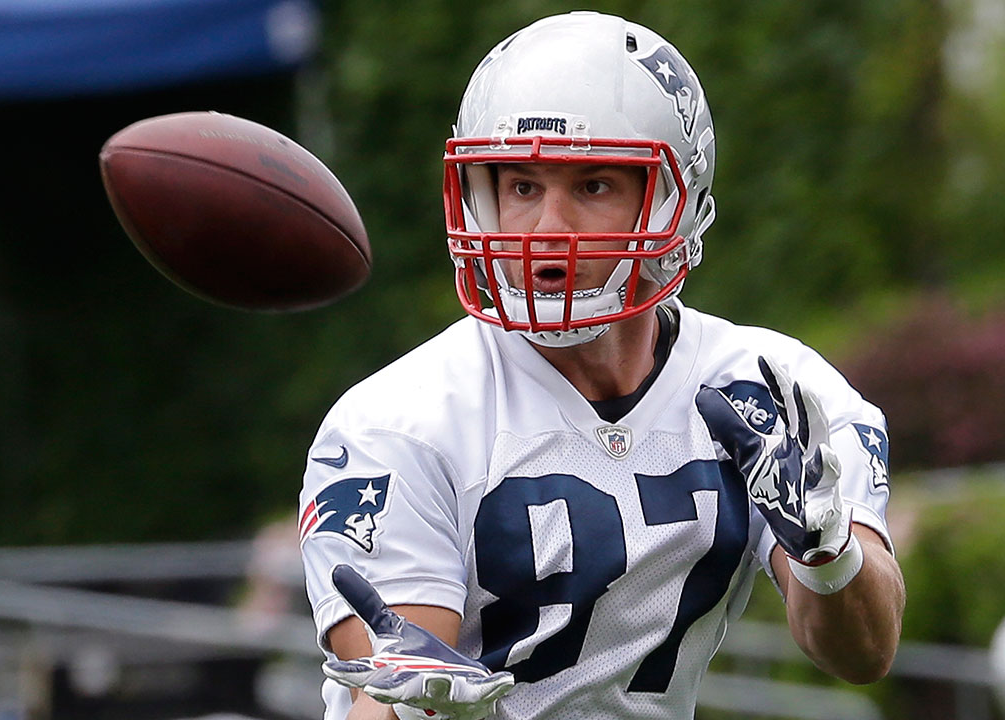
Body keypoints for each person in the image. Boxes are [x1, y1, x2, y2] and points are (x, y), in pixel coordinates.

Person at [297, 11, 905, 720]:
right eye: (522, 187)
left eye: (592, 187)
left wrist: (828, 551)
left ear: (678, 202)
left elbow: (865, 652)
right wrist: (414, 710)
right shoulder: (400, 423)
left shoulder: (768, 388)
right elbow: (384, 697)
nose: (549, 233)